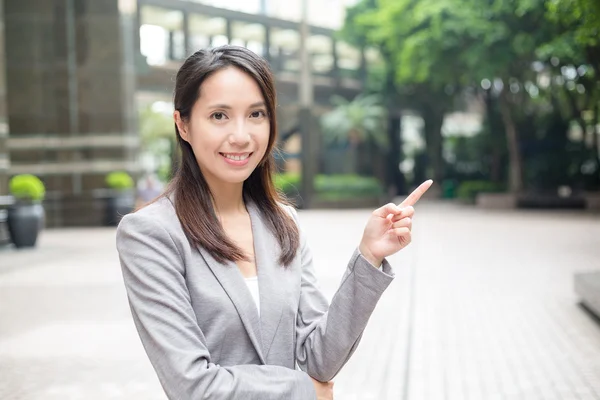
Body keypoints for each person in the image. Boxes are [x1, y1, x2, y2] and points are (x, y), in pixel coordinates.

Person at [116, 45, 432, 400]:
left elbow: (319, 359)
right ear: (183, 125)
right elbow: (191, 386)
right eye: (219, 115)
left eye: (256, 114)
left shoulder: (283, 223)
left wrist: (368, 257)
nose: (241, 135)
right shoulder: (151, 233)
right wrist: (302, 390)